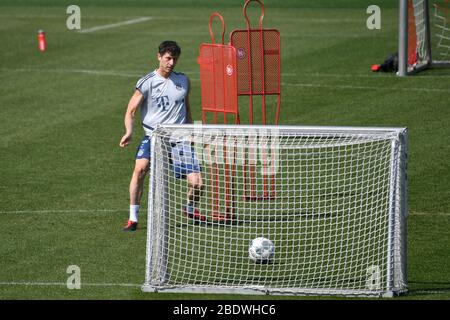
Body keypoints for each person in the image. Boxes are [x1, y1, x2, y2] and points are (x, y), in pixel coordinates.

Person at [119, 40, 204, 232]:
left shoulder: (183, 81)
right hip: (154, 137)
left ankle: (190, 208)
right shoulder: (147, 82)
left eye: (175, 59)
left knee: (198, 183)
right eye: (168, 58)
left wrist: (192, 132)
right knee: (140, 170)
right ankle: (133, 218)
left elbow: (187, 108)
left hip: (180, 139)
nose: (171, 63)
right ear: (159, 57)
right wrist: (129, 132)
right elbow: (130, 110)